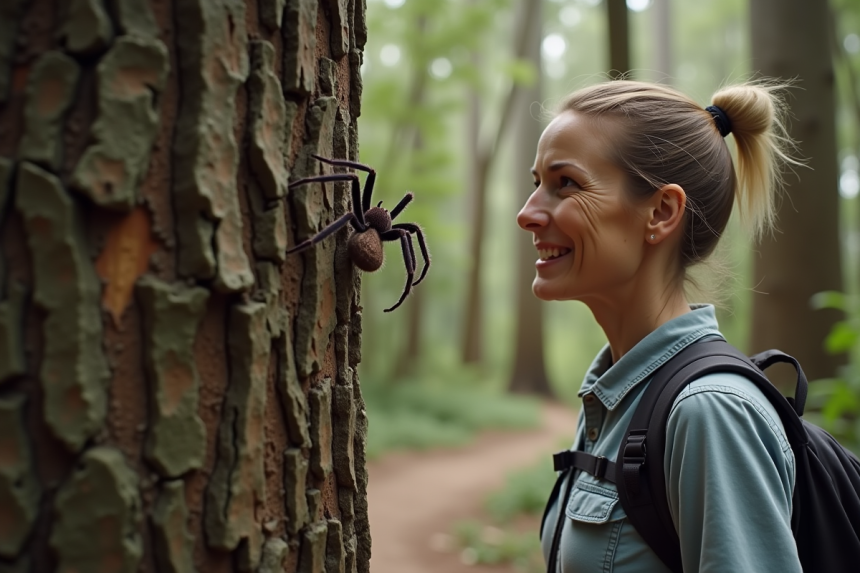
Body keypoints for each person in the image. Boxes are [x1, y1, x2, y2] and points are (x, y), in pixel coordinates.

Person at [517, 80, 803, 572]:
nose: (528, 213)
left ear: (662, 212)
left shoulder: (708, 413)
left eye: (566, 183)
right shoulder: (619, 397)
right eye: (537, 182)